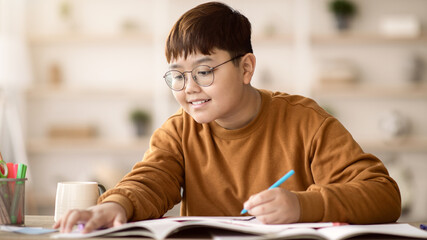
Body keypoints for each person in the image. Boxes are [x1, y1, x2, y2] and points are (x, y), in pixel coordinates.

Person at [54, 1, 401, 233]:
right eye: (178, 75)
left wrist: (301, 205)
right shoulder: (179, 131)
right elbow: (148, 180)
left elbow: (383, 195)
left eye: (204, 71)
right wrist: (116, 203)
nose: (189, 87)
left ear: (246, 67)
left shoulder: (305, 122)